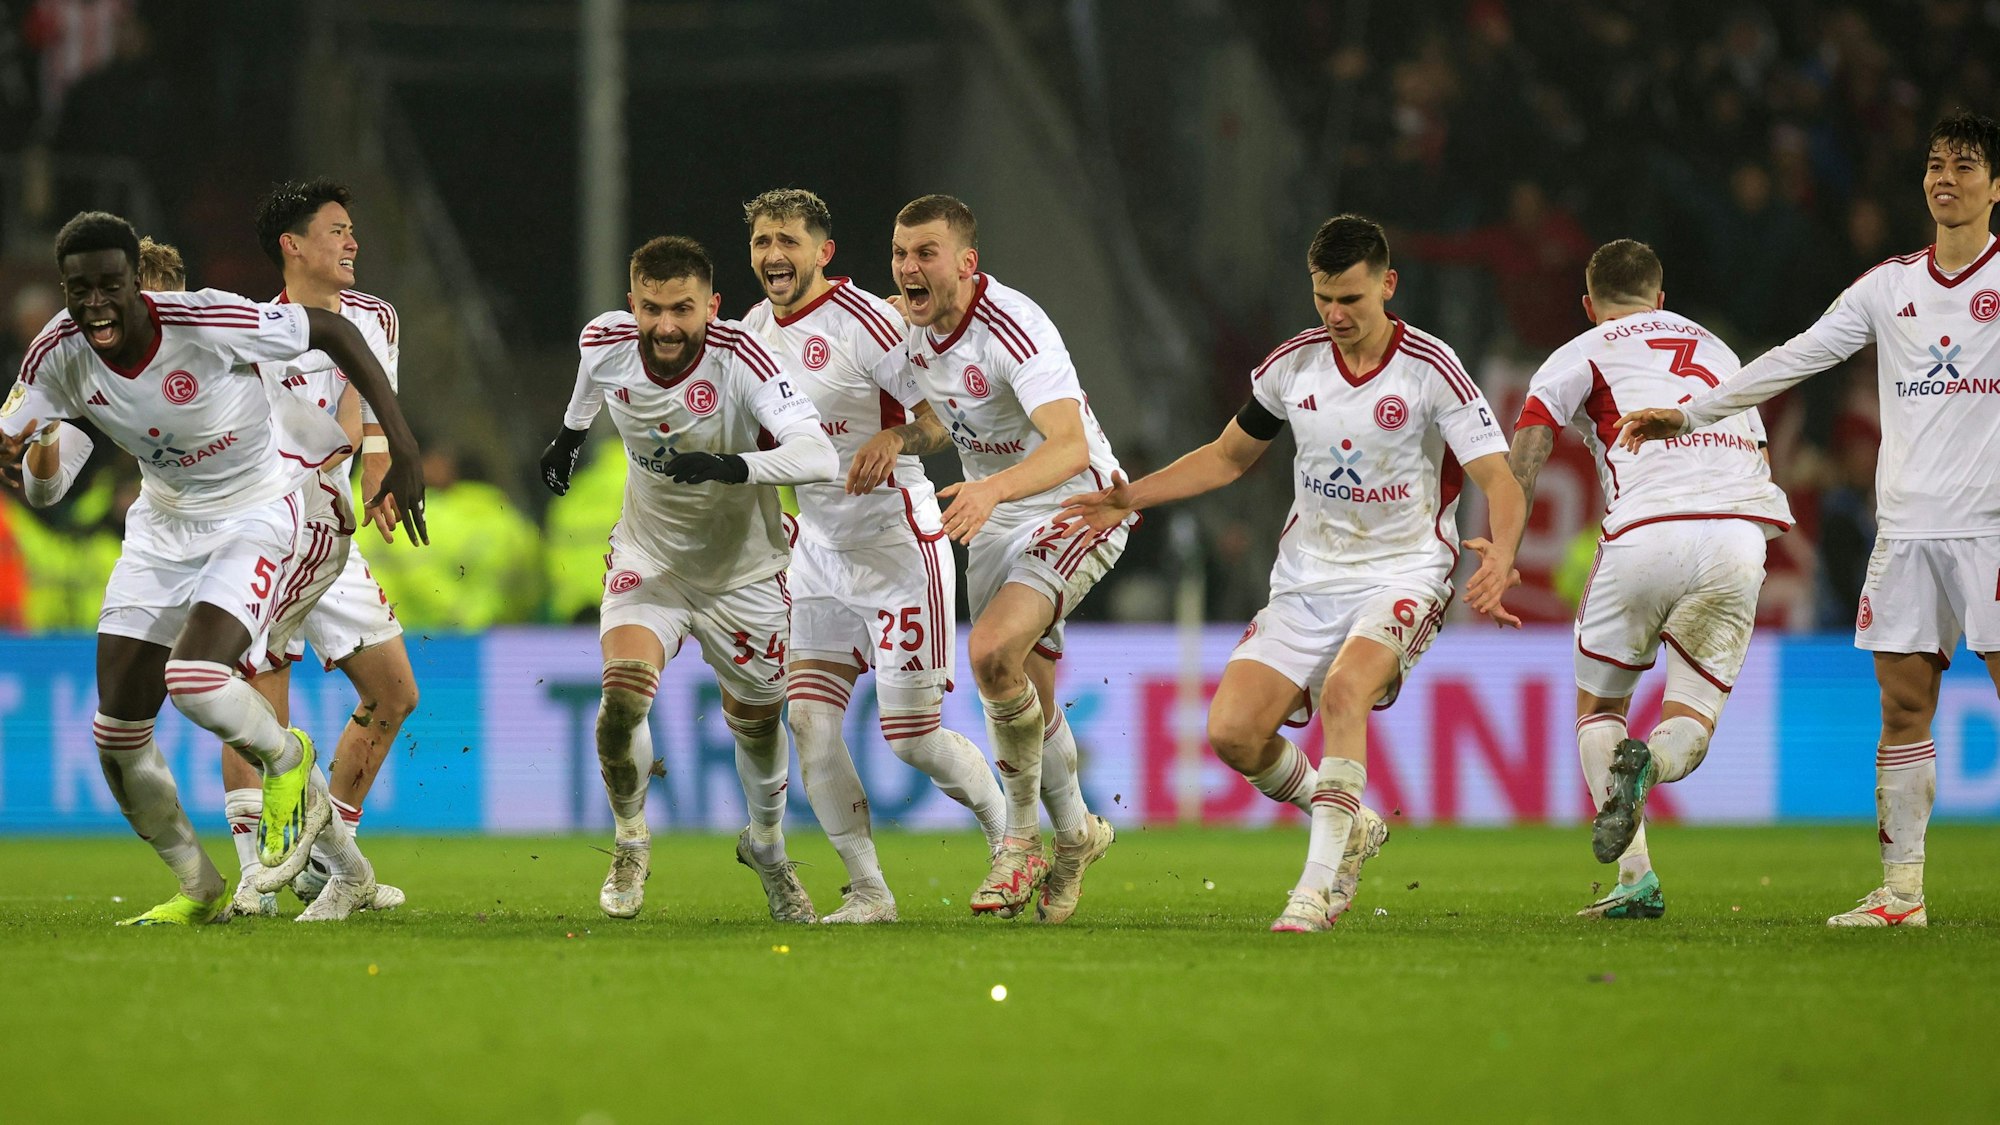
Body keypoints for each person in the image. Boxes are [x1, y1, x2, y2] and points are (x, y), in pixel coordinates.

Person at [1063, 214, 1525, 932]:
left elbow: (1500, 477)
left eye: (1352, 299)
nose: (1336, 315)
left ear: (1387, 285)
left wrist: (1501, 547)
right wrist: (1131, 496)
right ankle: (1351, 824)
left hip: (1403, 573)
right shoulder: (1294, 367)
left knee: (1345, 689)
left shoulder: (1432, 369)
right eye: (1323, 298)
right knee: (1234, 734)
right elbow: (1226, 457)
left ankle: (1316, 886)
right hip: (1307, 579)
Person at [1617, 111, 2000, 928]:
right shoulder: (1887, 285)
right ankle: (1901, 894)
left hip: (1992, 528)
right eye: (1936, 163)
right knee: (1902, 707)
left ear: (1996, 187)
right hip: (1905, 534)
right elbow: (1798, 355)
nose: (1946, 178)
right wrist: (1690, 414)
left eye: (1966, 167)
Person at [0, 210, 426, 925]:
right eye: (80, 288)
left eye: (111, 284)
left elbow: (336, 332)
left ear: (137, 282)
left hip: (261, 508)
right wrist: (35, 444)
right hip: (163, 531)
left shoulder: (206, 320)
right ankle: (200, 886)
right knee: (115, 736)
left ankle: (289, 764)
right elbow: (42, 486)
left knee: (198, 679)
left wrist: (399, 443)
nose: (95, 302)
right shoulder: (55, 356)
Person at [539, 235, 837, 922]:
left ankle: (766, 846)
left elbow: (816, 453)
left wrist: (735, 466)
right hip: (651, 559)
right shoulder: (604, 341)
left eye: (682, 309)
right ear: (631, 304)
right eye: (651, 308)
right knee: (621, 702)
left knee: (759, 726)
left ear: (713, 305)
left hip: (747, 573)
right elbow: (592, 377)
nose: (666, 326)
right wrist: (571, 435)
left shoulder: (745, 359)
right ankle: (631, 839)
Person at [738, 188, 1006, 924]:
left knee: (911, 738)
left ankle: (1011, 840)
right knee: (809, 721)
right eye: (762, 242)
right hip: (819, 552)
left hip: (897, 543)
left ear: (823, 251)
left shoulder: (871, 323)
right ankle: (869, 890)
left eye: (788, 241)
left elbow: (938, 420)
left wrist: (893, 439)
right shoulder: (753, 333)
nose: (773, 256)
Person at [1509, 239, 1792, 919]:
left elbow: (1531, 439)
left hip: (1647, 530)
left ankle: (1636, 877)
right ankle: (1654, 767)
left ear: (1589, 303)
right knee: (1691, 717)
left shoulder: (1585, 346)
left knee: (1599, 713)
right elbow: (1757, 447)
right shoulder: (1718, 349)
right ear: (1661, 299)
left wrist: (1502, 551)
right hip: (1737, 535)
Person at [889, 194, 1125, 924]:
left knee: (990, 650)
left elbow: (1069, 444)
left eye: (924, 253)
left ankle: (1019, 840)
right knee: (1023, 689)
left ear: (966, 261)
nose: (907, 268)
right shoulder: (912, 327)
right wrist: (898, 440)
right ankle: (1078, 835)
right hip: (992, 514)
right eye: (899, 254)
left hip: (1075, 502)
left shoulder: (1015, 328)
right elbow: (943, 412)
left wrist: (990, 489)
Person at [206, 180, 420, 921]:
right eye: (336, 231)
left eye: (353, 229)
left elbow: (366, 398)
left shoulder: (375, 315)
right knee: (259, 693)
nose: (352, 242)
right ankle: (253, 873)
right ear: (293, 246)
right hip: (268, 527)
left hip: (333, 526)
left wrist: (379, 465)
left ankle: (329, 865)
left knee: (394, 692)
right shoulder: (256, 330)